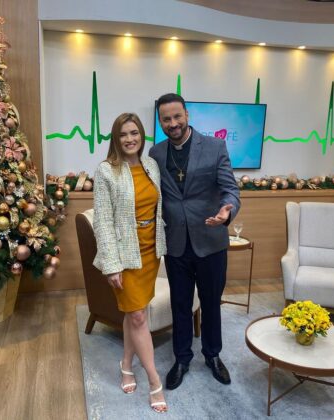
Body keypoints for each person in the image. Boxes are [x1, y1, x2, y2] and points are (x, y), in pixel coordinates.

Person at [149, 93, 241, 390]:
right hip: (176, 242)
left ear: (187, 115)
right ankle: (182, 358)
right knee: (180, 304)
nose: (173, 123)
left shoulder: (215, 146)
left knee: (211, 302)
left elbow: (230, 189)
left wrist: (227, 212)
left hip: (210, 241)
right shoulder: (155, 154)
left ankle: (212, 355)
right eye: (166, 119)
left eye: (177, 116)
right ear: (160, 122)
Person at [92, 113, 168, 413]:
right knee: (137, 316)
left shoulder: (151, 165)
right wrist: (111, 264)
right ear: (116, 138)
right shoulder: (106, 170)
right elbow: (103, 221)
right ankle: (154, 381)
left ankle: (126, 364)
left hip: (150, 251)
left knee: (134, 313)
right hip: (124, 255)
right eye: (123, 134)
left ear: (142, 135)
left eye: (134, 133)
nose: (129, 139)